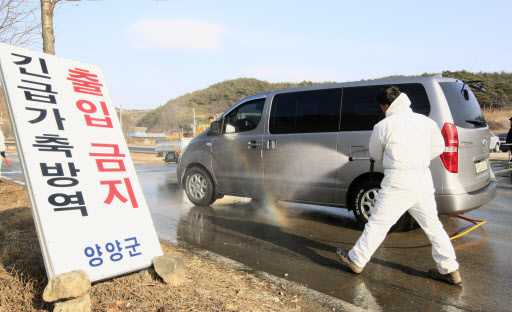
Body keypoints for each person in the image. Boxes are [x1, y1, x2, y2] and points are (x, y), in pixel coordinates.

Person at [336, 86, 462, 285]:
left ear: (386, 105)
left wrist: (400, 160)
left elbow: (376, 155)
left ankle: (356, 259)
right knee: (433, 226)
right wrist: (418, 159)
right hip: (422, 179)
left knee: (378, 223)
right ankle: (450, 269)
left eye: (382, 106)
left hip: (398, 180)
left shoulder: (383, 126)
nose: (382, 109)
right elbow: (438, 147)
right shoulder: (426, 122)